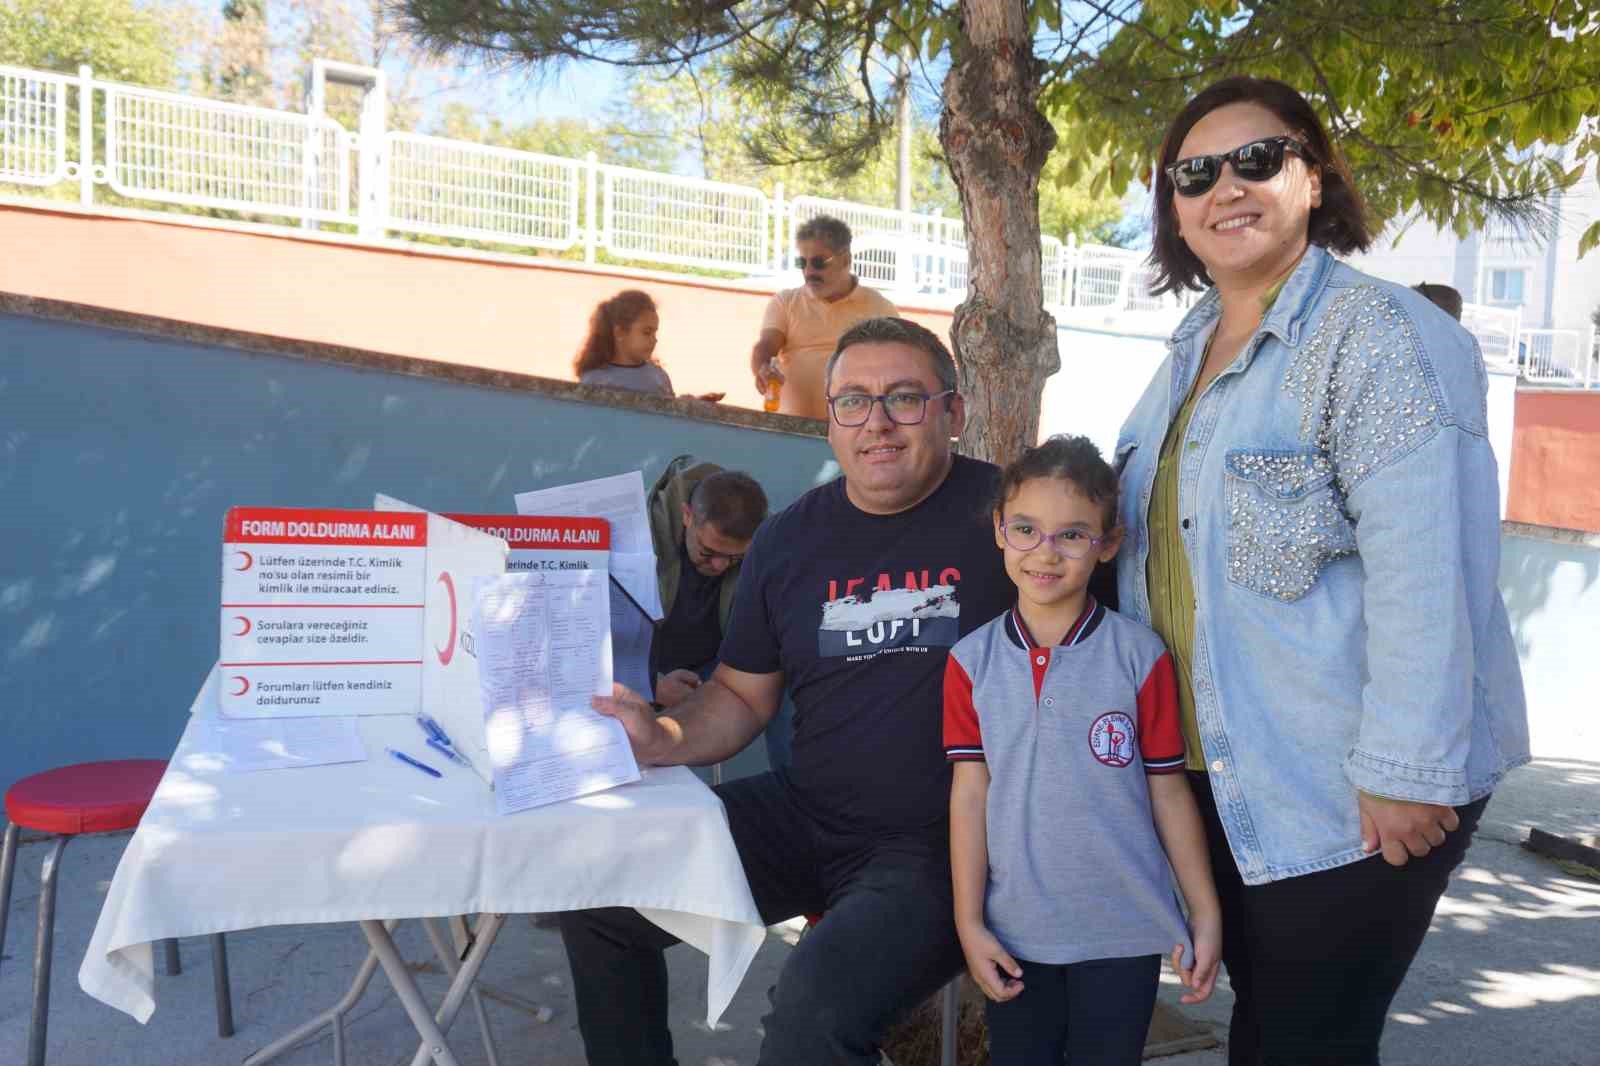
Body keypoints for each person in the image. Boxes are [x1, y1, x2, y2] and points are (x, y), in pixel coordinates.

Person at [1117, 75, 1529, 1064]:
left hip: (1349, 782)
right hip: (1222, 772)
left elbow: (1426, 568)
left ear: (1313, 177)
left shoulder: (1380, 334)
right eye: (1194, 172)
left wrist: (1406, 770)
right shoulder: (1182, 351)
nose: (1226, 187)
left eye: (1257, 160)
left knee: (1303, 1043)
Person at [559, 316, 1012, 1065]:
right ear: (828, 418)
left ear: (953, 413)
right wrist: (661, 736)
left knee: (810, 1011)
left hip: (943, 845)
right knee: (601, 897)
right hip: (808, 813)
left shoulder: (1006, 520)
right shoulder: (789, 539)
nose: (878, 423)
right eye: (853, 401)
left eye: (905, 398)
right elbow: (740, 695)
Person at [945, 434, 1221, 1066]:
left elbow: (1167, 789)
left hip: (1121, 930)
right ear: (999, 531)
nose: (1046, 552)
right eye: (1026, 529)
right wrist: (969, 922)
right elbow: (970, 793)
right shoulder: (971, 663)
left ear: (1109, 544)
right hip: (1015, 932)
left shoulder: (1139, 656)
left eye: (1072, 534)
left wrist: (1204, 914)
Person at [646, 456, 768, 706]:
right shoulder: (641, 535)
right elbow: (596, 639)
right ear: (687, 515)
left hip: (715, 671)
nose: (720, 566)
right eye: (708, 552)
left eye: (735, 557)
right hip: (642, 670)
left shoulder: (766, 544)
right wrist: (650, 685)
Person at [750, 215, 899, 419]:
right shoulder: (785, 302)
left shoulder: (879, 308)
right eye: (802, 262)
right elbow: (766, 345)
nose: (809, 271)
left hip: (855, 435)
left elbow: (899, 367)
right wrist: (763, 368)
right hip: (789, 431)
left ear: (845, 260)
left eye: (819, 263)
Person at [576, 290, 724, 401]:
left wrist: (692, 405)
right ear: (620, 332)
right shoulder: (595, 380)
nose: (654, 340)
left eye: (655, 333)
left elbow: (667, 420)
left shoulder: (659, 377)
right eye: (646, 333)